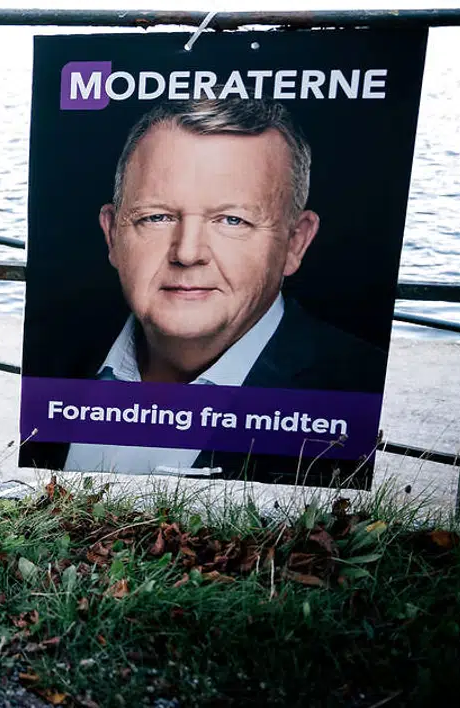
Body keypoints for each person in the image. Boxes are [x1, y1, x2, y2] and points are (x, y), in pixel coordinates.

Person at [62, 99, 385, 479]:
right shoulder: (52, 360)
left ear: (295, 243)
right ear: (112, 233)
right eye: (157, 217)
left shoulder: (359, 387)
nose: (187, 253)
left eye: (232, 220)